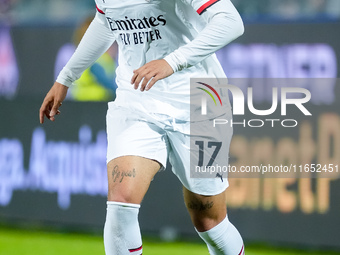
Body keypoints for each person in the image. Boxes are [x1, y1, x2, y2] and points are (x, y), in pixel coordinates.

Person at [39, 0, 245, 254]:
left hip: (199, 102)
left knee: (209, 220)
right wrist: (66, 77)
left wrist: (173, 61)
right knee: (121, 200)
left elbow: (231, 22)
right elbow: (106, 21)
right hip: (137, 100)